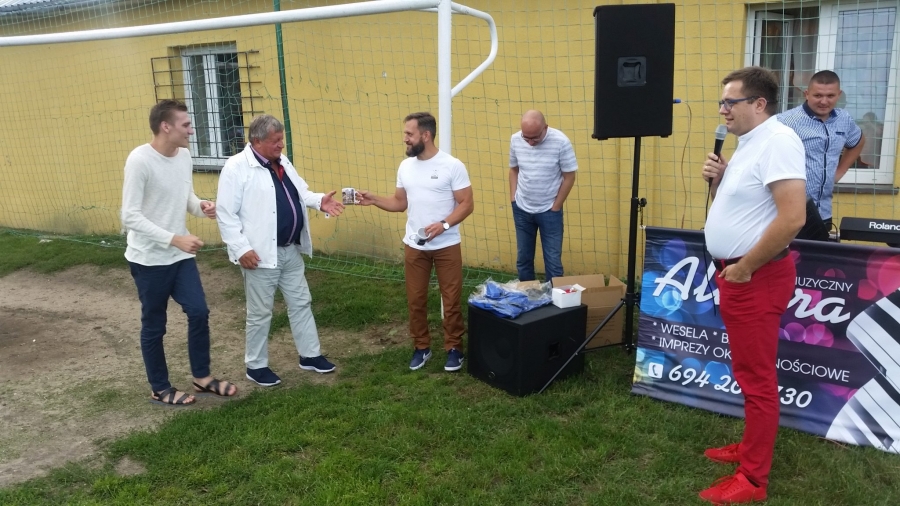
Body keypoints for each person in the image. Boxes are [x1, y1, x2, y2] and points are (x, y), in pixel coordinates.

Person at [700, 67, 806, 504]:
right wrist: (720, 181)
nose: (723, 110)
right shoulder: (749, 143)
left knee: (757, 378)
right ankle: (749, 448)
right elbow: (744, 209)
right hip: (739, 274)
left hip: (755, 277)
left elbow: (792, 217)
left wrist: (745, 267)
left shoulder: (778, 141)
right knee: (747, 371)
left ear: (759, 104)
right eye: (722, 102)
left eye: (731, 102)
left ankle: (753, 479)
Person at [121, 99, 237, 406]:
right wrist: (175, 239)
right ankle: (160, 387)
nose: (191, 130)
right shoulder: (140, 160)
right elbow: (129, 216)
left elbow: (185, 197)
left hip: (179, 256)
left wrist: (202, 206)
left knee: (199, 311)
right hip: (148, 259)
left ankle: (202, 378)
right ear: (165, 126)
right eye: (186, 125)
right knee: (155, 324)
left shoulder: (184, 156)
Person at [216, 114, 343, 387]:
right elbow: (225, 214)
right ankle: (256, 365)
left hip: (290, 250)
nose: (281, 145)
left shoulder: (282, 161)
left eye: (281, 139)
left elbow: (301, 192)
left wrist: (320, 201)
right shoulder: (236, 167)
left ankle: (310, 355)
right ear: (256, 141)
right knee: (260, 312)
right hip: (260, 255)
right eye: (275, 141)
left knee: (301, 302)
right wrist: (241, 249)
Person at [357, 112, 474, 372]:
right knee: (416, 299)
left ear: (426, 135)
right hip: (415, 245)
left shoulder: (452, 165)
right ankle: (422, 347)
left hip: (446, 245)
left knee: (451, 300)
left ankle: (454, 348)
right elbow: (400, 203)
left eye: (409, 134)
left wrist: (443, 225)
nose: (405, 139)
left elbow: (466, 204)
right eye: (405, 134)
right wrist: (374, 199)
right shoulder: (405, 167)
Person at [777, 70, 864, 232]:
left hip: (823, 213)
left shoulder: (844, 120)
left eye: (830, 96)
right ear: (807, 94)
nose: (824, 101)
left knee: (820, 249)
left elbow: (858, 141)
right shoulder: (785, 122)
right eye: (818, 95)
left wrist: (839, 172)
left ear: (839, 95)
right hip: (788, 214)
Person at [509, 110, 577, 281]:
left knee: (553, 262)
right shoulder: (515, 139)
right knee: (523, 258)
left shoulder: (561, 142)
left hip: (550, 211)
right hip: (521, 208)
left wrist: (556, 206)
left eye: (535, 138)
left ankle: (554, 297)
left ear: (545, 127)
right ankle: (527, 294)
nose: (530, 143)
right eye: (526, 138)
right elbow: (514, 169)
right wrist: (513, 198)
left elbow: (569, 176)